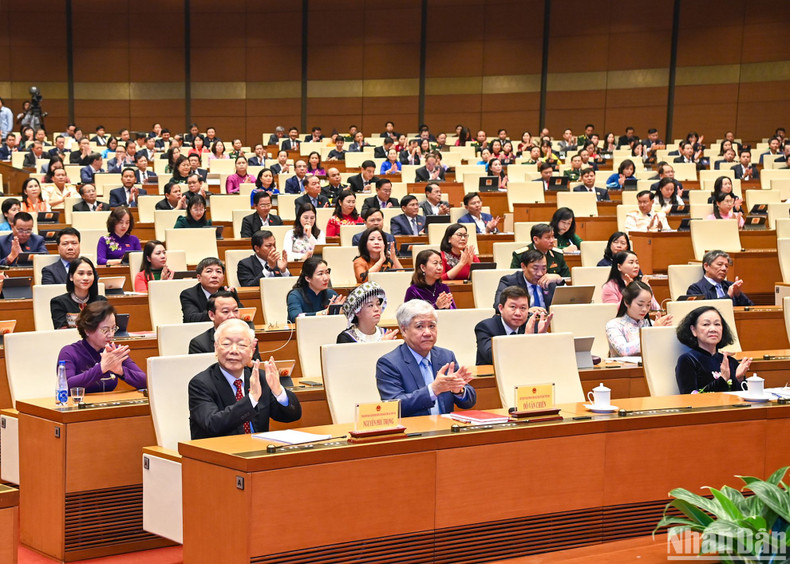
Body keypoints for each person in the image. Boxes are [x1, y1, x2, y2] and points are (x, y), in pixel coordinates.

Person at [188, 318, 301, 439]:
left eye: (241, 345)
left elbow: (291, 416)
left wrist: (278, 391)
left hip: (258, 452)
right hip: (219, 453)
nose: (234, 350)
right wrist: (251, 399)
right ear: (216, 348)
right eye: (226, 344)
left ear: (252, 351)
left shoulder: (260, 378)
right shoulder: (201, 384)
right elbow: (213, 424)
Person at [375, 300, 476, 417]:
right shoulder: (389, 363)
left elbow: (469, 401)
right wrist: (433, 390)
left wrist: (459, 390)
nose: (428, 333)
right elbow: (393, 406)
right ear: (404, 330)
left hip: (445, 430)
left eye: (432, 326)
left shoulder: (446, 356)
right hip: (413, 433)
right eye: (420, 326)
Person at [56, 301, 146, 392]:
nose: (111, 334)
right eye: (105, 330)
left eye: (113, 328)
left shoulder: (115, 351)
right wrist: (102, 368)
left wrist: (121, 371)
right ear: (87, 330)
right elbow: (66, 386)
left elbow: (146, 381)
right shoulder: (69, 352)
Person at [675, 306, 752, 394]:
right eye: (706, 324)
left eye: (717, 324)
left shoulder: (730, 362)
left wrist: (739, 378)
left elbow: (741, 399)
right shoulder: (688, 360)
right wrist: (722, 379)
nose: (713, 329)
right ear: (693, 330)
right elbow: (689, 397)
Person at [475, 286, 552, 365]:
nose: (518, 313)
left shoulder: (532, 326)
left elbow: (544, 358)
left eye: (523, 308)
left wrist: (542, 338)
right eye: (513, 307)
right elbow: (492, 357)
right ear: (501, 308)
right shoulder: (485, 327)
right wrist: (526, 339)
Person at [605, 281, 672, 357]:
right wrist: (652, 332)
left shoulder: (651, 324)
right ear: (627, 302)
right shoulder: (613, 325)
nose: (644, 309)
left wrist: (663, 332)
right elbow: (623, 350)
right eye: (640, 304)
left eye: (648, 305)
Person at [188, 291, 261, 359]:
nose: (232, 316)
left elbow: (258, 367)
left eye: (235, 311)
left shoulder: (248, 337)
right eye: (226, 311)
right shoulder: (199, 344)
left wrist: (249, 363)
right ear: (211, 315)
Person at [494, 249, 564, 310]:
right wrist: (525, 311)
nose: (540, 273)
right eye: (535, 268)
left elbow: (567, 304)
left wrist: (559, 280)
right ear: (523, 266)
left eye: (543, 268)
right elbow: (498, 305)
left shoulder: (550, 281)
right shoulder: (509, 281)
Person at [50, 257, 108, 329]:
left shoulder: (101, 302)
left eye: (89, 274)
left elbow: (106, 328)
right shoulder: (59, 302)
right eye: (81, 273)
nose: (86, 278)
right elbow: (62, 333)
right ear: (71, 277)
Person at [180, 257, 242, 322]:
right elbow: (192, 318)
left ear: (223, 278)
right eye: (209, 271)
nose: (214, 276)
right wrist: (219, 312)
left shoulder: (227, 291)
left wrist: (233, 298)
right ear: (199, 277)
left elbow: (243, 314)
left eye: (218, 271)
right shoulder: (189, 294)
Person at [286, 256, 344, 322]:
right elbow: (296, 317)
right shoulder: (295, 295)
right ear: (308, 278)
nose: (326, 278)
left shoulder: (331, 294)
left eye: (327, 272)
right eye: (320, 274)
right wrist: (325, 312)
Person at [686, 250, 753, 306]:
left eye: (726, 266)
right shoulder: (695, 289)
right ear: (706, 266)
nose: (724, 269)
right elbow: (705, 311)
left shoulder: (731, 286)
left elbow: (751, 307)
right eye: (720, 264)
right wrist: (728, 296)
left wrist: (738, 295)